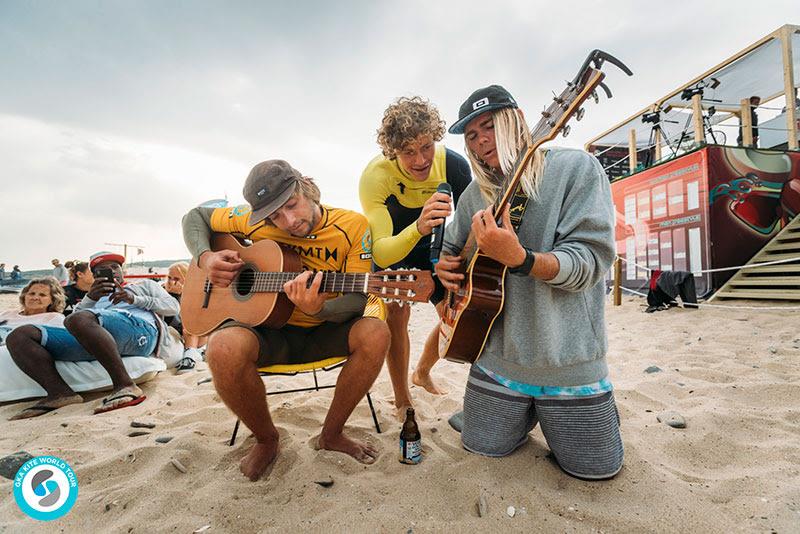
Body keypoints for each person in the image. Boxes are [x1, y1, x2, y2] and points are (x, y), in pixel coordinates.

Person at [436, 85, 623, 479]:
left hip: (567, 364)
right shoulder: (475, 194)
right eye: (471, 135)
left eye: (489, 126)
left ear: (517, 120)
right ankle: (516, 417)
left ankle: (567, 416)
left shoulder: (576, 168)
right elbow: (452, 250)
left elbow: (590, 262)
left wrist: (521, 259)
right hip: (496, 362)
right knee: (480, 447)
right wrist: (445, 268)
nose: (481, 140)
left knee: (597, 471)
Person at [181, 159, 390, 481]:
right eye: (275, 215)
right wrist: (206, 257)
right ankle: (267, 439)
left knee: (376, 332)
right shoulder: (249, 221)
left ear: (305, 188)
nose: (289, 220)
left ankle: (332, 434)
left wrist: (317, 309)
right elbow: (195, 217)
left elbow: (357, 299)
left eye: (292, 205)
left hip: (326, 328)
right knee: (221, 348)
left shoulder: (353, 226)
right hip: (268, 331)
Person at [359, 96, 471, 412]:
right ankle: (402, 398)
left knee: (455, 316)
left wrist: (456, 254)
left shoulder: (454, 166)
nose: (420, 159)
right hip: (393, 245)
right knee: (397, 314)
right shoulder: (375, 176)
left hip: (433, 245)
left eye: (425, 147)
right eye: (408, 152)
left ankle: (421, 372)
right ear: (392, 151)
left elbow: (470, 225)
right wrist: (418, 227)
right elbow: (380, 246)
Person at [6, 251, 182, 419]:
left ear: (123, 270)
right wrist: (90, 298)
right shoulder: (93, 296)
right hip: (98, 337)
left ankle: (125, 385)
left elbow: (173, 307)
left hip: (140, 331)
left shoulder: (144, 286)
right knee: (20, 335)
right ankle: (60, 394)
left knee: (80, 319)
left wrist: (133, 299)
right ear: (95, 275)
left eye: (115, 266)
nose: (111, 271)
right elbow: (70, 322)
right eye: (103, 270)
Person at [162, 260, 206, 374]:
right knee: (190, 327)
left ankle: (191, 355)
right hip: (174, 332)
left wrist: (183, 294)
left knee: (193, 325)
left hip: (192, 335)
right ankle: (192, 355)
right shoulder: (162, 292)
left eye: (176, 279)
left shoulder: (196, 295)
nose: (171, 282)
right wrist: (174, 295)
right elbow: (170, 317)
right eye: (169, 278)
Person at [0, 277, 66, 345]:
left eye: (42, 295)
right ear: (24, 295)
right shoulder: (7, 313)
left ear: (53, 300)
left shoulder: (54, 318)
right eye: (32, 293)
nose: (35, 298)